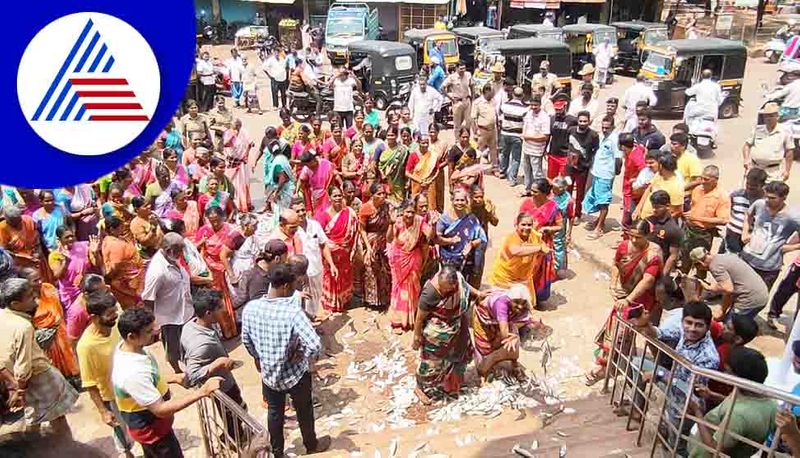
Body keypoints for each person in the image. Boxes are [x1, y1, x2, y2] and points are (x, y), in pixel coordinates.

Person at [241, 263, 331, 457]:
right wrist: (301, 355)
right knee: (304, 410)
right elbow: (315, 345)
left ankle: (277, 452)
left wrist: (258, 357)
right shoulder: (292, 314)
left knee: (275, 413)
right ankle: (311, 444)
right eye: (292, 286)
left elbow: (246, 340)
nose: (294, 290)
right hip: (294, 373)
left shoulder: (251, 308)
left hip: (269, 374)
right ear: (284, 286)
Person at [112, 307, 222, 457]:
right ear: (131, 336)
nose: (156, 332)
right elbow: (160, 409)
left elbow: (148, 379)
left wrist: (171, 378)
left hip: (155, 428)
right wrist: (202, 392)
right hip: (154, 434)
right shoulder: (133, 372)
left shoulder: (128, 349)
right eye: (149, 331)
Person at [0, 277, 78, 440]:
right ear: (15, 304)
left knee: (33, 420)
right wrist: (19, 391)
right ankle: (67, 448)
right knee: (56, 418)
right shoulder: (23, 327)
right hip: (39, 378)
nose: (35, 299)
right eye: (29, 296)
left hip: (16, 380)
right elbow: (23, 366)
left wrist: (13, 386)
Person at [590, 220, 662, 385]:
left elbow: (648, 280)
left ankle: (607, 367)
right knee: (620, 330)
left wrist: (629, 299)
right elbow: (616, 264)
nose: (634, 241)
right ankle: (623, 365)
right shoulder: (624, 247)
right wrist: (613, 283)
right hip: (624, 295)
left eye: (639, 237)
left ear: (647, 235)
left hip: (642, 299)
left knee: (622, 331)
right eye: (632, 236)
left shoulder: (653, 254)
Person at [688, 347, 776, 458]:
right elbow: (738, 403)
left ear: (740, 378)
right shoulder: (770, 402)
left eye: (728, 372)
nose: (725, 375)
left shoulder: (738, 416)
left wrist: (697, 412)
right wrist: (711, 395)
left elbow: (714, 449)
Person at [77, 290, 135, 458]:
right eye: (110, 314)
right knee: (122, 433)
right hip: (113, 395)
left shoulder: (117, 325)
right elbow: (89, 384)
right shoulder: (86, 346)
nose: (115, 316)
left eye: (115, 311)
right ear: (95, 317)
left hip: (133, 384)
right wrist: (103, 411)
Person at [181, 288, 246, 436]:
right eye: (219, 308)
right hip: (222, 387)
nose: (223, 310)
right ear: (208, 313)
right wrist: (216, 364)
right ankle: (235, 441)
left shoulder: (190, 326)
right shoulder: (201, 344)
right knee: (233, 417)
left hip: (226, 380)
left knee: (238, 409)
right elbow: (192, 376)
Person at [413, 265, 481, 404]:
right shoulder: (430, 293)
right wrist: (417, 336)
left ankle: (451, 385)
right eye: (443, 288)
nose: (445, 291)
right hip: (439, 332)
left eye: (448, 289)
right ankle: (420, 387)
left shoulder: (458, 279)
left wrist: (478, 294)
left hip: (458, 325)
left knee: (459, 354)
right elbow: (419, 317)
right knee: (432, 362)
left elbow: (466, 286)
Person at [142, 233, 194, 374]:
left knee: (189, 344)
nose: (181, 253)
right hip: (170, 318)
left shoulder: (171, 259)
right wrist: (152, 323)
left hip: (186, 311)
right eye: (179, 250)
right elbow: (148, 298)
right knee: (173, 348)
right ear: (169, 250)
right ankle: (178, 372)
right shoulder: (157, 271)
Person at [740, 180, 800, 292]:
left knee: (758, 299)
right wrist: (745, 232)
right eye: (766, 196)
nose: (767, 200)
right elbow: (748, 214)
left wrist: (786, 248)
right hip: (747, 259)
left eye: (772, 198)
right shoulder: (759, 204)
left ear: (784, 198)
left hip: (768, 267)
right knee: (737, 292)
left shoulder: (792, 217)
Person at [194, 206, 241, 339]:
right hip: (209, 270)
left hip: (226, 267)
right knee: (215, 301)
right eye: (211, 220)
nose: (214, 223)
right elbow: (195, 249)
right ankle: (223, 331)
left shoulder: (231, 231)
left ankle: (231, 329)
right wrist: (202, 242)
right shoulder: (204, 230)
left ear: (223, 217)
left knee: (226, 301)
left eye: (217, 220)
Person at [388, 199, 433, 333]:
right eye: (407, 212)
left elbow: (429, 236)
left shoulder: (420, 221)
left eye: (412, 212)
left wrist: (433, 225)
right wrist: (390, 223)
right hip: (398, 259)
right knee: (398, 287)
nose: (409, 215)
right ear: (402, 212)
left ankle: (410, 318)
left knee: (413, 288)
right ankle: (398, 320)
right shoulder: (397, 222)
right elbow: (389, 239)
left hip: (414, 258)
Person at [689, 247, 769, 319]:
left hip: (749, 300)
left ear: (700, 263)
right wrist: (722, 311)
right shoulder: (723, 257)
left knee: (730, 327)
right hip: (761, 295)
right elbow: (728, 293)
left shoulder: (715, 267)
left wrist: (711, 288)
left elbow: (727, 289)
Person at [317, 186, 362, 314]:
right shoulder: (323, 215)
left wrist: (352, 248)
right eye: (335, 196)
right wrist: (330, 247)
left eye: (339, 196)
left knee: (345, 275)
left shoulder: (349, 212)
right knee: (330, 276)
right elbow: (320, 237)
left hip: (345, 252)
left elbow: (354, 230)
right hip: (330, 254)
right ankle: (331, 303)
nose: (337, 198)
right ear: (329, 198)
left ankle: (344, 301)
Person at [473, 284, 532, 380]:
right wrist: (511, 337)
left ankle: (514, 363)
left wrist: (514, 336)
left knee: (512, 341)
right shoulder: (501, 304)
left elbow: (526, 320)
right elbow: (505, 334)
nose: (520, 306)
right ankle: (483, 373)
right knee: (485, 346)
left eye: (523, 303)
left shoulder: (524, 304)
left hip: (503, 320)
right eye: (516, 302)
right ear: (509, 300)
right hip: (485, 319)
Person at [489, 212, 549, 305]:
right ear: (516, 225)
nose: (526, 227)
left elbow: (543, 247)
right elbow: (516, 251)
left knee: (524, 309)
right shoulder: (511, 237)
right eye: (523, 224)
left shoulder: (534, 236)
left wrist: (543, 248)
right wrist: (539, 248)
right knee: (504, 308)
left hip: (523, 279)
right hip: (504, 279)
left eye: (529, 225)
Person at [291, 198, 336, 318]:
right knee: (302, 301)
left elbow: (324, 244)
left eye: (302, 210)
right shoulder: (292, 230)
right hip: (300, 274)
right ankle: (307, 323)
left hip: (317, 269)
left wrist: (331, 264)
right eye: (297, 211)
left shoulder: (314, 225)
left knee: (315, 298)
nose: (301, 213)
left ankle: (313, 319)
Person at [518, 179, 562, 304]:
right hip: (525, 243)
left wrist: (547, 229)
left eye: (535, 191)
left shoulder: (552, 207)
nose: (531, 193)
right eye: (531, 190)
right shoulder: (526, 203)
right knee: (524, 270)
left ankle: (535, 296)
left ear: (544, 193)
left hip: (543, 245)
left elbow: (559, 226)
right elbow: (518, 222)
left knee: (538, 271)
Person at [681, 165, 730, 275]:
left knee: (701, 264)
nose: (702, 181)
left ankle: (699, 286)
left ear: (716, 179)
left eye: (706, 179)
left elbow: (723, 220)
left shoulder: (722, 196)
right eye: (702, 178)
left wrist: (697, 218)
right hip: (689, 230)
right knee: (684, 259)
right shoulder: (697, 189)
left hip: (703, 234)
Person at [49, 225, 101, 321]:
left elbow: (96, 264)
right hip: (69, 294)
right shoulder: (55, 255)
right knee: (76, 318)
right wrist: (65, 261)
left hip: (85, 289)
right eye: (66, 237)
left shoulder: (84, 246)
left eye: (72, 236)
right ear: (59, 239)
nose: (70, 239)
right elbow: (56, 276)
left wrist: (95, 253)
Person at [436, 187, 486, 282]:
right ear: (452, 201)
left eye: (462, 200)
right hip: (448, 260)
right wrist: (450, 241)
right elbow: (436, 239)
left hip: (466, 260)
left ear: (466, 201)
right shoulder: (444, 219)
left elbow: (482, 238)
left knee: (463, 284)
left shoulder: (471, 219)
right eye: (457, 200)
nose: (459, 203)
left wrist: (471, 244)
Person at [583, 116, 622, 239]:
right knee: (596, 198)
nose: (604, 130)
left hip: (606, 175)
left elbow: (618, 158)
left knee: (603, 202)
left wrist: (614, 173)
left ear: (613, 127)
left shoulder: (614, 140)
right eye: (603, 127)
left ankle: (599, 228)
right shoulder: (601, 137)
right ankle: (599, 221)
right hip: (597, 172)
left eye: (607, 128)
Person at [743, 102, 794, 182]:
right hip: (755, 168)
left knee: (771, 192)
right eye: (766, 116)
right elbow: (747, 145)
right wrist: (746, 159)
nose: (768, 119)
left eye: (771, 116)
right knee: (752, 192)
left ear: (777, 116)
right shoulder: (757, 130)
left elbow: (789, 152)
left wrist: (787, 170)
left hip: (773, 172)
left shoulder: (784, 132)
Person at [359, 183, 390, 309]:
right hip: (371, 241)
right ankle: (371, 301)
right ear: (372, 195)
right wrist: (368, 246)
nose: (382, 196)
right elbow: (362, 229)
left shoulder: (387, 206)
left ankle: (384, 299)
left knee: (385, 271)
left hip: (385, 241)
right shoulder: (366, 208)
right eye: (379, 194)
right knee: (371, 269)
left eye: (384, 193)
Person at [102, 216, 145, 309]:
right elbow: (115, 266)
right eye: (120, 227)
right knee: (133, 307)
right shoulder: (115, 245)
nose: (123, 228)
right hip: (126, 284)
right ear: (112, 229)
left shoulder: (110, 240)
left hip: (127, 281)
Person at [721, 167, 767, 254]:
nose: (749, 188)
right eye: (747, 184)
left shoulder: (765, 203)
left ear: (762, 185)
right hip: (731, 236)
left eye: (753, 187)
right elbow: (729, 211)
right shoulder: (736, 195)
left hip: (749, 241)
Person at [566, 110, 599, 219]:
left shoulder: (593, 135)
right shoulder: (571, 130)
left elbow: (596, 150)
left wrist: (588, 162)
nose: (582, 123)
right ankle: (567, 212)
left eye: (585, 121)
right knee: (567, 190)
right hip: (570, 167)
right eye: (580, 121)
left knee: (580, 193)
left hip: (582, 169)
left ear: (589, 121)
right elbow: (566, 143)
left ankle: (577, 214)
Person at [236, 239, 288, 307]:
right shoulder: (257, 278)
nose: (284, 263)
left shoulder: (248, 273)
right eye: (283, 261)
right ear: (277, 259)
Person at [646, 190, 683, 283]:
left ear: (667, 206)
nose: (654, 210)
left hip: (658, 265)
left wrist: (663, 275)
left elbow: (673, 256)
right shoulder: (649, 220)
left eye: (658, 207)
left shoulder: (673, 229)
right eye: (653, 206)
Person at [0, 205, 46, 279]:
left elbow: (37, 237)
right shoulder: (2, 228)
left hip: (37, 257)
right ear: (7, 220)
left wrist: (38, 252)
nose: (18, 225)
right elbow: (5, 251)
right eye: (14, 223)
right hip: (20, 264)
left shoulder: (28, 220)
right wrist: (24, 257)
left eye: (19, 221)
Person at [635, 152, 685, 220]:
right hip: (644, 218)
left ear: (661, 166)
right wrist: (638, 209)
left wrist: (659, 223)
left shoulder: (676, 186)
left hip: (656, 225)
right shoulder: (659, 175)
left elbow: (678, 211)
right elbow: (649, 189)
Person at [521, 94, 551, 194]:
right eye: (532, 105)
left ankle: (540, 192)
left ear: (540, 105)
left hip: (536, 150)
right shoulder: (529, 113)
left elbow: (545, 136)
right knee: (526, 170)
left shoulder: (545, 117)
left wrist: (529, 137)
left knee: (537, 173)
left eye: (536, 105)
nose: (533, 107)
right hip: (526, 148)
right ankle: (527, 189)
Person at [499, 86, 528, 185]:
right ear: (523, 95)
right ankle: (512, 178)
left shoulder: (504, 105)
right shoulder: (525, 108)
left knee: (504, 153)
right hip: (517, 135)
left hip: (505, 133)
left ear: (512, 94)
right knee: (516, 157)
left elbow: (500, 118)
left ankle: (502, 172)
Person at [298, 152, 338, 219]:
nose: (309, 167)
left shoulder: (326, 164)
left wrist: (341, 184)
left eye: (309, 165)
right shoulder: (307, 169)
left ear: (313, 160)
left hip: (328, 194)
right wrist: (296, 192)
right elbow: (301, 180)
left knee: (329, 215)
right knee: (318, 216)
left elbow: (335, 175)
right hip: (316, 197)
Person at [546, 95, 578, 180]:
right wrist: (545, 149)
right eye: (556, 109)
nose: (558, 111)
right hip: (553, 153)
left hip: (565, 155)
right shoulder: (552, 119)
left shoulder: (573, 120)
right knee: (551, 178)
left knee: (563, 180)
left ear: (565, 107)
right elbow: (548, 135)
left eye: (560, 109)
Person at [377, 127, 410, 204]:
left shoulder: (403, 150)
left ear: (396, 136)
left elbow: (407, 166)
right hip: (385, 181)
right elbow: (379, 165)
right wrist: (383, 174)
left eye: (392, 135)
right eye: (388, 135)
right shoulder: (382, 147)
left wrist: (408, 181)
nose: (390, 137)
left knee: (399, 204)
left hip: (399, 181)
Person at [32, 190, 68, 254]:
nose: (50, 202)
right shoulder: (37, 216)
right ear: (41, 201)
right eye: (47, 201)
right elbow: (38, 234)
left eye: (52, 200)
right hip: (51, 249)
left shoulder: (60, 209)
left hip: (65, 245)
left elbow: (70, 222)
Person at [551, 176, 575, 274]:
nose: (552, 190)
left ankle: (559, 269)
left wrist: (569, 233)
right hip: (549, 222)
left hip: (560, 224)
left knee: (559, 244)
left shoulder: (569, 200)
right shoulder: (551, 194)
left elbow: (571, 217)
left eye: (555, 188)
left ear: (562, 189)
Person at [441, 61, 473, 133]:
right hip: (457, 102)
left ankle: (467, 138)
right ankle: (457, 141)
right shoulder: (452, 77)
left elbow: (472, 85)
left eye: (464, 68)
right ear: (457, 68)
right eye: (461, 69)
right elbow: (442, 88)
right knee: (457, 124)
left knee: (468, 122)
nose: (463, 70)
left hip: (467, 101)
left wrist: (472, 98)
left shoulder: (468, 75)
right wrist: (451, 98)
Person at [472, 84, 499, 168]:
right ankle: (476, 168)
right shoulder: (477, 102)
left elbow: (495, 114)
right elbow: (473, 118)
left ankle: (494, 167)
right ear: (487, 91)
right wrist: (475, 132)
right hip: (482, 130)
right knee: (479, 150)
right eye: (492, 92)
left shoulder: (493, 101)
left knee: (494, 150)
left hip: (492, 129)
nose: (494, 94)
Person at [409, 74, 443, 138]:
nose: (422, 86)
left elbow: (440, 98)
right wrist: (411, 115)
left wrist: (435, 109)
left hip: (428, 117)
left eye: (423, 84)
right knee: (417, 134)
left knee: (428, 134)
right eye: (420, 84)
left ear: (426, 83)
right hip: (417, 117)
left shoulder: (431, 91)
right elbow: (411, 104)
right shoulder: (415, 91)